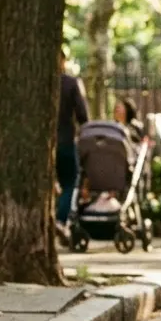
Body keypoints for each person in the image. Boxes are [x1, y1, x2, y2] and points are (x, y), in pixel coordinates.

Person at [56, 50, 89, 229]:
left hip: (43, 144)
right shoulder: (70, 83)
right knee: (69, 181)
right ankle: (60, 220)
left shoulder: (37, 84)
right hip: (65, 141)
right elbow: (82, 115)